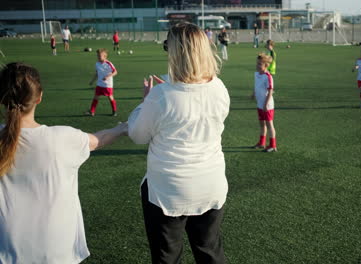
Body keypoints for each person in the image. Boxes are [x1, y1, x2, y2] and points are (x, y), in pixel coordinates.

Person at [0, 62, 128, 263]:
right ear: (39, 97)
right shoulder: (63, 137)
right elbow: (99, 139)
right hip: (57, 250)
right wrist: (124, 126)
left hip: (7, 249)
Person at [128, 22, 229, 264]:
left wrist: (145, 103)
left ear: (176, 52)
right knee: (210, 252)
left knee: (167, 257)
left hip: (169, 191)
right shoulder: (219, 87)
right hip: (210, 184)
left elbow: (138, 135)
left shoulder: (160, 96)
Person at [251, 53, 277, 152]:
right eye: (257, 63)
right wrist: (253, 93)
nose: (257, 66)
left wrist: (266, 104)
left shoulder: (268, 76)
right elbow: (256, 85)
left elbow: (270, 91)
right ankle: (262, 143)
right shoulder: (256, 74)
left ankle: (273, 145)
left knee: (269, 124)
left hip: (267, 105)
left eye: (260, 64)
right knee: (262, 124)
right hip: (259, 104)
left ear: (266, 65)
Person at [86, 48, 118, 116]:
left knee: (110, 97)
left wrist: (108, 76)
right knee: (95, 97)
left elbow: (115, 72)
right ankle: (92, 111)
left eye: (99, 56)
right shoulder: (97, 64)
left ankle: (114, 111)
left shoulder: (109, 64)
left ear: (105, 56)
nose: (98, 57)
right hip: (99, 84)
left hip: (107, 85)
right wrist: (92, 81)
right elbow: (97, 73)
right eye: (97, 56)